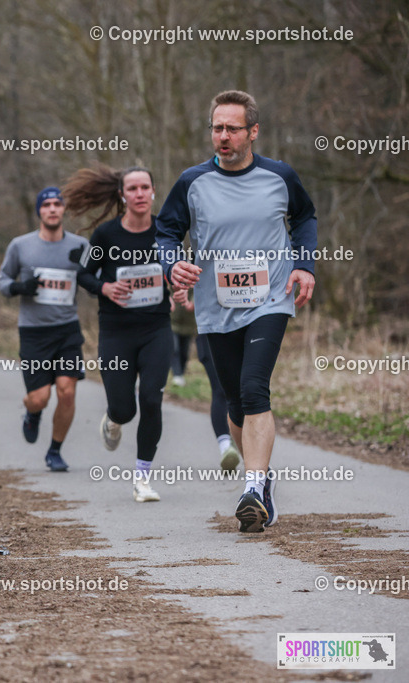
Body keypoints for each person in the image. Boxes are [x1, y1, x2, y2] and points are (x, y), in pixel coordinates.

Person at [157, 90, 317, 532]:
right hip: (216, 304)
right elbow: (166, 231)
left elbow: (305, 219)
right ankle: (261, 486)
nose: (223, 136)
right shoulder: (192, 182)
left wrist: (304, 265)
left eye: (232, 128)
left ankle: (253, 486)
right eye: (216, 128)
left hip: (271, 299)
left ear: (253, 132)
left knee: (253, 388)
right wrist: (173, 264)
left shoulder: (279, 176)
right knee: (234, 401)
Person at [65, 165, 171, 502]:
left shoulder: (166, 232)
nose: (139, 194)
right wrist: (106, 288)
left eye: (145, 187)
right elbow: (84, 275)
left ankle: (142, 479)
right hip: (116, 333)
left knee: (152, 399)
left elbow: (179, 268)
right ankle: (113, 419)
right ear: (122, 195)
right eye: (133, 189)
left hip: (157, 328)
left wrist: (179, 285)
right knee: (125, 409)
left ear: (153, 192)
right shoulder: (107, 235)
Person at [0, 187, 88, 472]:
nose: (52, 209)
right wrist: (19, 287)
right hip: (34, 331)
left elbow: (97, 279)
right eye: (46, 204)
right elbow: (1, 281)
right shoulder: (20, 245)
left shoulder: (80, 245)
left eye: (57, 204)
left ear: (63, 210)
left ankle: (55, 451)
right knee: (40, 398)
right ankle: (31, 412)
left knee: (67, 392)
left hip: (67, 329)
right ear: (39, 210)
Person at [171, 288, 242, 471]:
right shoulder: (195, 261)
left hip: (243, 328)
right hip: (209, 333)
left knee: (245, 390)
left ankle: (243, 443)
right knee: (220, 390)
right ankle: (226, 447)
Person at [170, 287, 196, 386]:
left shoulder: (196, 278)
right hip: (173, 322)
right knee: (174, 349)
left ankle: (181, 373)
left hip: (189, 324)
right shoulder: (173, 277)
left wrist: (193, 302)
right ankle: (177, 374)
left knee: (184, 351)